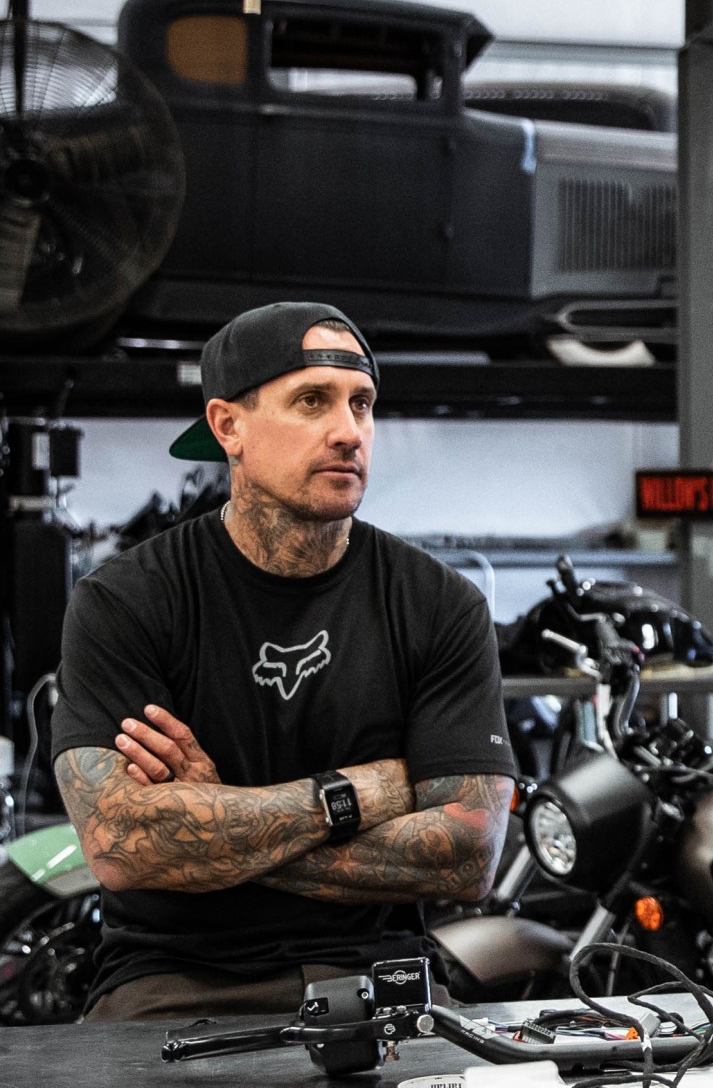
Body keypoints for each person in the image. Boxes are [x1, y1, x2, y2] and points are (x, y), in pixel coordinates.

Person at [51, 301, 517, 1021]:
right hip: (176, 979)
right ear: (226, 426)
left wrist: (214, 823)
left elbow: (465, 858)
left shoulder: (439, 604)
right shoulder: (126, 600)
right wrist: (363, 792)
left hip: (378, 977)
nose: (347, 431)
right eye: (311, 401)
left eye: (361, 404)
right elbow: (122, 844)